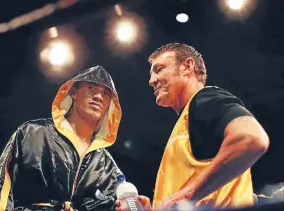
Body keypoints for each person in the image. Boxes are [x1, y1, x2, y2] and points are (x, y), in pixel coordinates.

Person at [116, 43, 270, 210]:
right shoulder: (186, 121)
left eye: (159, 69)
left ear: (187, 67)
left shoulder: (203, 100)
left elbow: (251, 139)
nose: (151, 80)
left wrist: (187, 195)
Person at [0, 65, 124, 211]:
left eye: (106, 93)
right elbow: (0, 191)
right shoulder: (32, 134)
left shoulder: (108, 167)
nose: (98, 97)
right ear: (74, 92)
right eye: (92, 88)